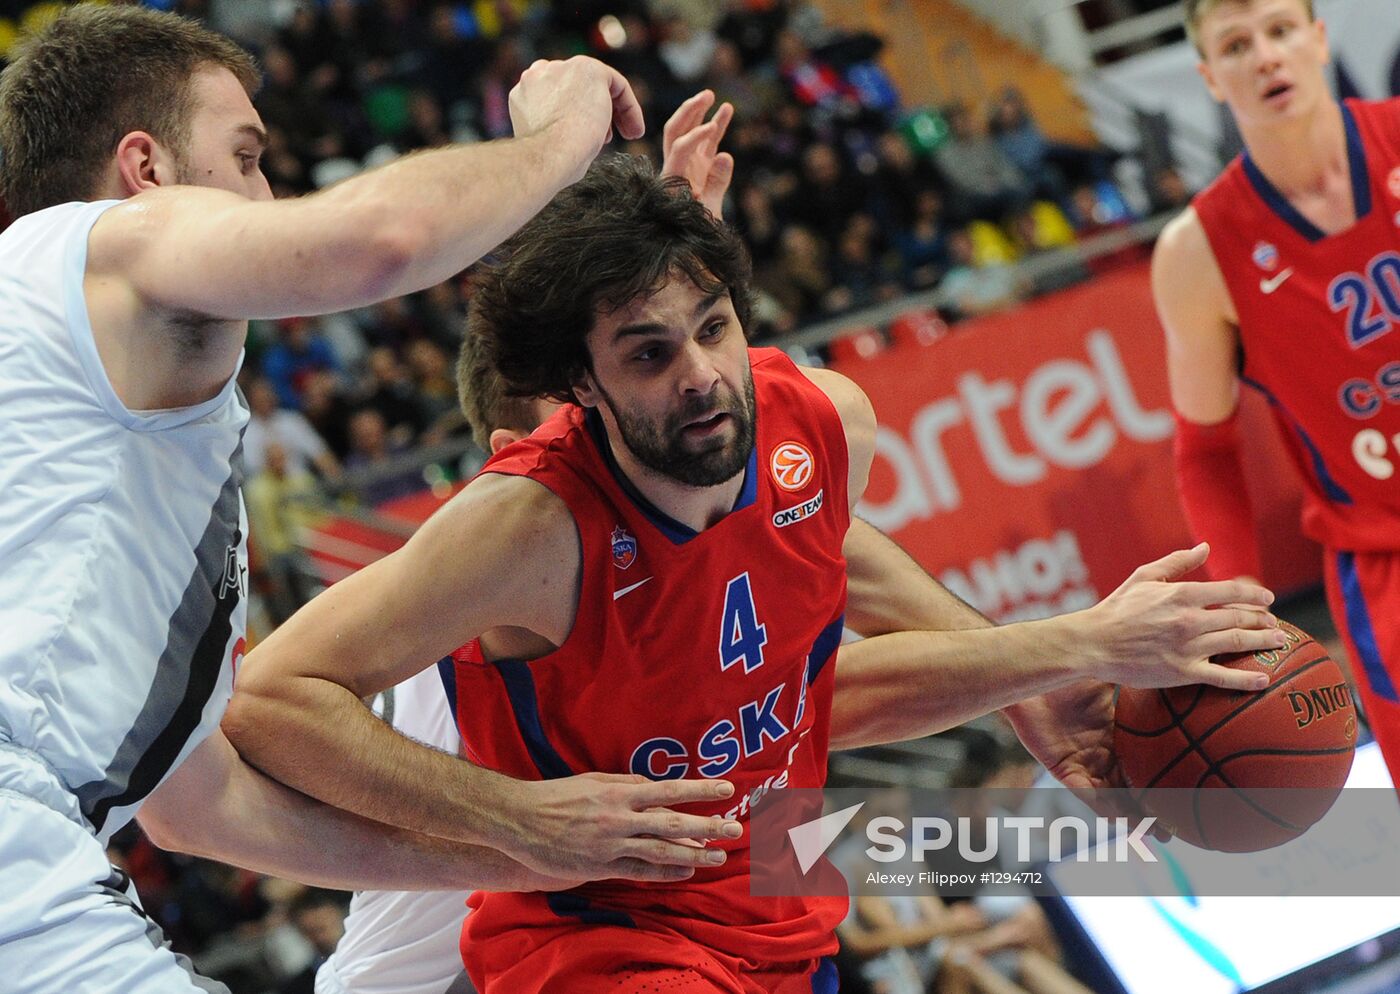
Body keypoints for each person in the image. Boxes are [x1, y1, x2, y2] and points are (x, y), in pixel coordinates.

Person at [227, 149, 1286, 992]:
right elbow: (271, 693)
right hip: (599, 943)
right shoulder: (521, 531)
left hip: (778, 920)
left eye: (712, 330)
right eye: (646, 354)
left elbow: (824, 668)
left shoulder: (822, 430)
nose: (697, 377)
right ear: (575, 394)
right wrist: (521, 818)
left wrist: (1038, 689)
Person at [0, 9, 736, 994]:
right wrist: (559, 140)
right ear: (148, 169)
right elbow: (387, 238)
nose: (268, 192)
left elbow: (196, 803)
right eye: (247, 154)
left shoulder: (89, 438)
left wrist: (534, 847)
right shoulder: (104, 244)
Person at [1151, 0, 1400, 785]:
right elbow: (1206, 449)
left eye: (1281, 30)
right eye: (1235, 44)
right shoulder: (1196, 252)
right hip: (1384, 558)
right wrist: (1237, 607)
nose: (1265, 56)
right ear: (1210, 78)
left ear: (1319, 40)